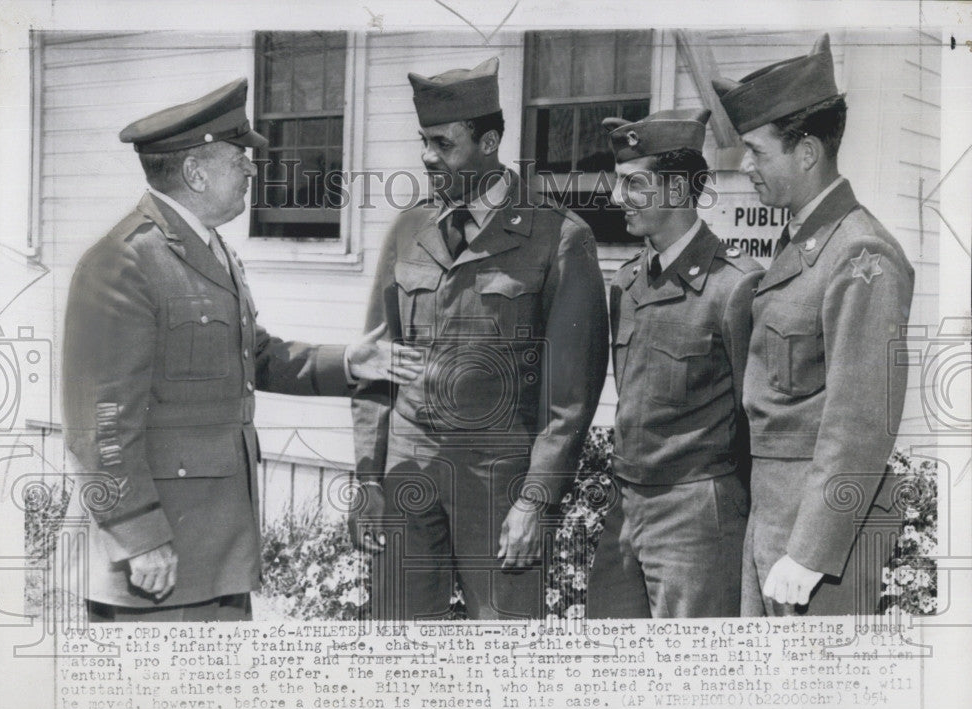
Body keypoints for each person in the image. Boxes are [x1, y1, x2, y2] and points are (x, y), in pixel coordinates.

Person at [61, 78, 422, 622]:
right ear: (195, 173)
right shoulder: (123, 263)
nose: (253, 169)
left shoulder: (211, 250)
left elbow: (253, 355)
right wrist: (138, 534)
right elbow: (99, 422)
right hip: (156, 560)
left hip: (215, 551)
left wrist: (349, 362)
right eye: (240, 158)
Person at [350, 57, 608, 621]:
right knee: (399, 640)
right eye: (423, 141)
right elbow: (375, 364)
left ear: (490, 141)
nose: (427, 156)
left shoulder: (558, 238)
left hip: (498, 480)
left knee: (505, 650)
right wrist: (368, 478)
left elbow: (570, 398)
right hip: (408, 469)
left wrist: (536, 499)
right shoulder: (408, 228)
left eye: (443, 143)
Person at [712, 34, 915, 615]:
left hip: (820, 538)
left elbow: (860, 419)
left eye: (757, 151)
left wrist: (810, 551)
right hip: (776, 516)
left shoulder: (860, 253)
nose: (746, 166)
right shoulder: (802, 242)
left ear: (806, 153)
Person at [586, 109, 763, 619]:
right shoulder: (625, 284)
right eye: (619, 183)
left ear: (681, 189)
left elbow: (754, 422)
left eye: (635, 184)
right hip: (625, 509)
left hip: (696, 516)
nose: (619, 198)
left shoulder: (733, 288)